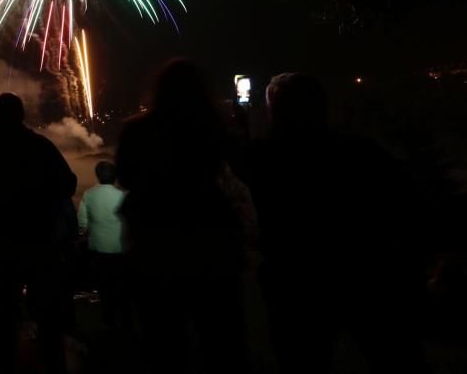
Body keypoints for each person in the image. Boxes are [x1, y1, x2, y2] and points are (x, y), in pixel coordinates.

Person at [241, 73, 426, 374]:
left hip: (295, 283)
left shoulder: (259, 159)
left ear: (274, 112)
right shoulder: (360, 153)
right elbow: (408, 201)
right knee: (395, 357)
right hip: (363, 274)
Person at [115, 59, 248, 373]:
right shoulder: (213, 129)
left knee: (164, 337)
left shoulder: (137, 130)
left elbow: (125, 177)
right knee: (220, 337)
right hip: (209, 235)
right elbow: (236, 170)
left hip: (156, 241)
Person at [0, 93, 77, 374]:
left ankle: (4, 364)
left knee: (3, 314)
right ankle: (51, 363)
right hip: (39, 239)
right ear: (22, 114)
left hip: (1, 243)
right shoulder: (40, 147)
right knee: (47, 312)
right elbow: (68, 183)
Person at [78, 161, 129, 328]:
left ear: (98, 175)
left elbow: (82, 225)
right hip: (120, 250)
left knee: (105, 289)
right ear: (114, 176)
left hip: (98, 250)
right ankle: (126, 324)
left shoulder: (88, 194)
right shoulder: (122, 196)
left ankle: (109, 323)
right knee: (121, 288)